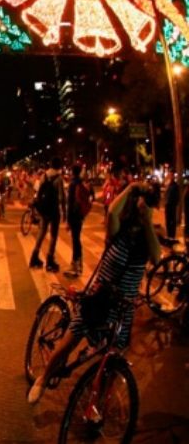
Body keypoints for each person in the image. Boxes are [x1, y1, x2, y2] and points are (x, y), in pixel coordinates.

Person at [28, 182, 161, 404]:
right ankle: (43, 378)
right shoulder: (119, 230)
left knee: (116, 354)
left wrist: (147, 221)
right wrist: (131, 188)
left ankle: (97, 403)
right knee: (71, 338)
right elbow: (112, 212)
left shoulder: (149, 236)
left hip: (123, 308)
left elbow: (157, 257)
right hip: (99, 298)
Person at [30, 158, 65, 273]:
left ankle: (34, 256)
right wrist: (64, 212)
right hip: (54, 211)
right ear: (58, 166)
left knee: (42, 232)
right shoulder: (59, 178)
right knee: (53, 235)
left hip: (44, 209)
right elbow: (61, 197)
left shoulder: (43, 176)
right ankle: (50, 260)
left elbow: (39, 192)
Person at [65, 165, 91, 277]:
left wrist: (68, 220)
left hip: (74, 216)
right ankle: (77, 263)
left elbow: (70, 204)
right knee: (77, 239)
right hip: (80, 215)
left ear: (72, 172)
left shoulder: (72, 184)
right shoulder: (81, 183)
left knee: (75, 240)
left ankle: (76, 264)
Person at [165, 172, 179, 239]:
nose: (170, 176)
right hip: (167, 205)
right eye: (169, 175)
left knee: (172, 221)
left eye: (171, 175)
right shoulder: (168, 184)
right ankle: (169, 235)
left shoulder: (175, 185)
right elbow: (166, 194)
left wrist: (174, 204)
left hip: (172, 205)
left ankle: (172, 235)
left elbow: (177, 196)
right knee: (168, 220)